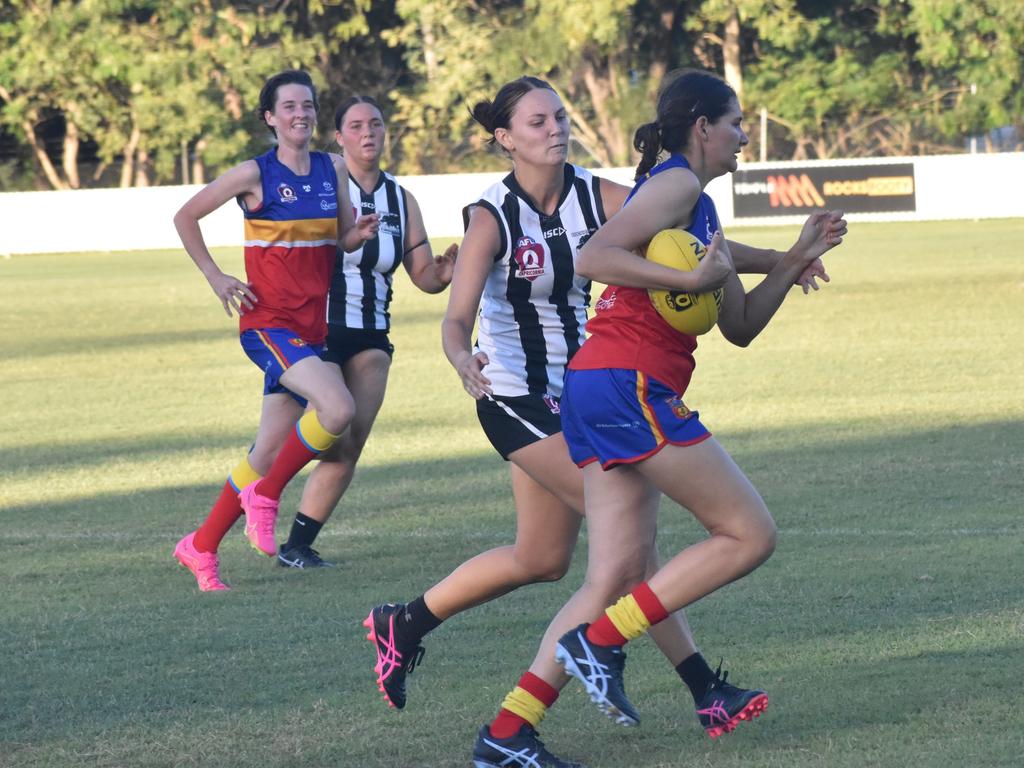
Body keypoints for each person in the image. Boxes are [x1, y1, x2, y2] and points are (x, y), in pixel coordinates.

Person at [359, 76, 822, 767]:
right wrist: (462, 358)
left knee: (553, 560)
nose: (556, 128)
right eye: (539, 120)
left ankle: (472, 690)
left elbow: (704, 267)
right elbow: (463, 315)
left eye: (561, 116)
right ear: (506, 137)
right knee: (632, 555)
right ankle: (682, 679)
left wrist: (787, 257)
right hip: (525, 392)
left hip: (587, 385)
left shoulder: (604, 194)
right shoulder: (493, 214)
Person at [172, 70, 378, 591]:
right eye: (288, 107)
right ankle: (265, 495)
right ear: (270, 118)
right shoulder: (254, 173)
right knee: (337, 409)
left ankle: (199, 547)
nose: (300, 114)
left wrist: (360, 234)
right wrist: (216, 276)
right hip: (267, 324)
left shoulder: (333, 169)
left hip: (311, 328)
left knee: (266, 451)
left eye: (307, 105)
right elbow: (185, 216)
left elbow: (342, 241)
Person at [277, 96, 457, 568]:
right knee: (318, 427)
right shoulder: (322, 189)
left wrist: (445, 271)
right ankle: (256, 494)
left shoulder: (402, 199)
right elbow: (298, 255)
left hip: (373, 333)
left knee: (349, 444)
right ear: (339, 137)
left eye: (375, 124)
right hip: (319, 329)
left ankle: (296, 547)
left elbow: (422, 275)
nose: (368, 133)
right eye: (355, 126)